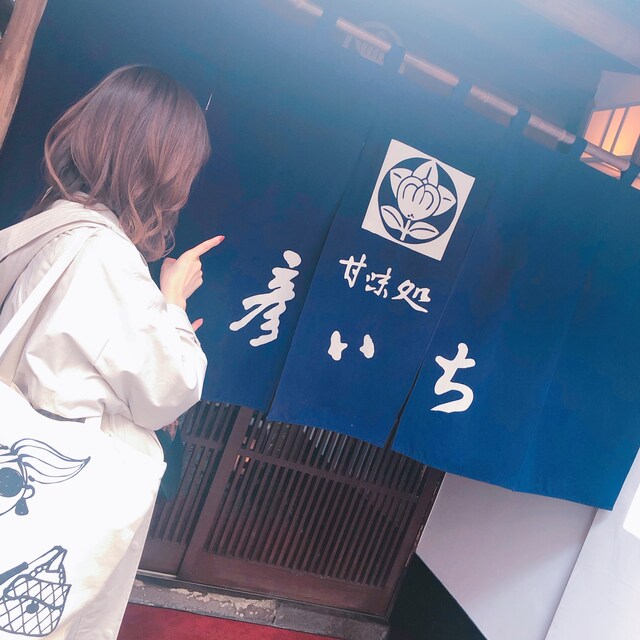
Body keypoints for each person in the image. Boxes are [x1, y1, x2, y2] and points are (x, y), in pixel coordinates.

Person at [0, 65, 222, 637]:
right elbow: (169, 391)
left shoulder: (47, 227)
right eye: (186, 168)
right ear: (159, 166)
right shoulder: (105, 253)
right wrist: (173, 302)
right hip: (51, 487)